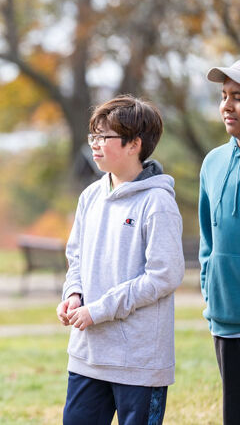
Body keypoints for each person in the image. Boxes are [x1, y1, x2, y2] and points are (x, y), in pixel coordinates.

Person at [55, 95, 184, 425]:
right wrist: (73, 294)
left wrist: (98, 310)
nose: (95, 145)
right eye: (93, 136)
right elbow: (77, 256)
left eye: (104, 137)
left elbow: (164, 276)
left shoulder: (157, 203)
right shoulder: (90, 196)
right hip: (88, 355)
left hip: (138, 362)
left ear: (134, 144)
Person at [199, 60, 240, 425]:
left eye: (238, 97)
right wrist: (209, 290)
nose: (227, 106)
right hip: (226, 319)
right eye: (224, 96)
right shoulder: (213, 162)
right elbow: (207, 240)